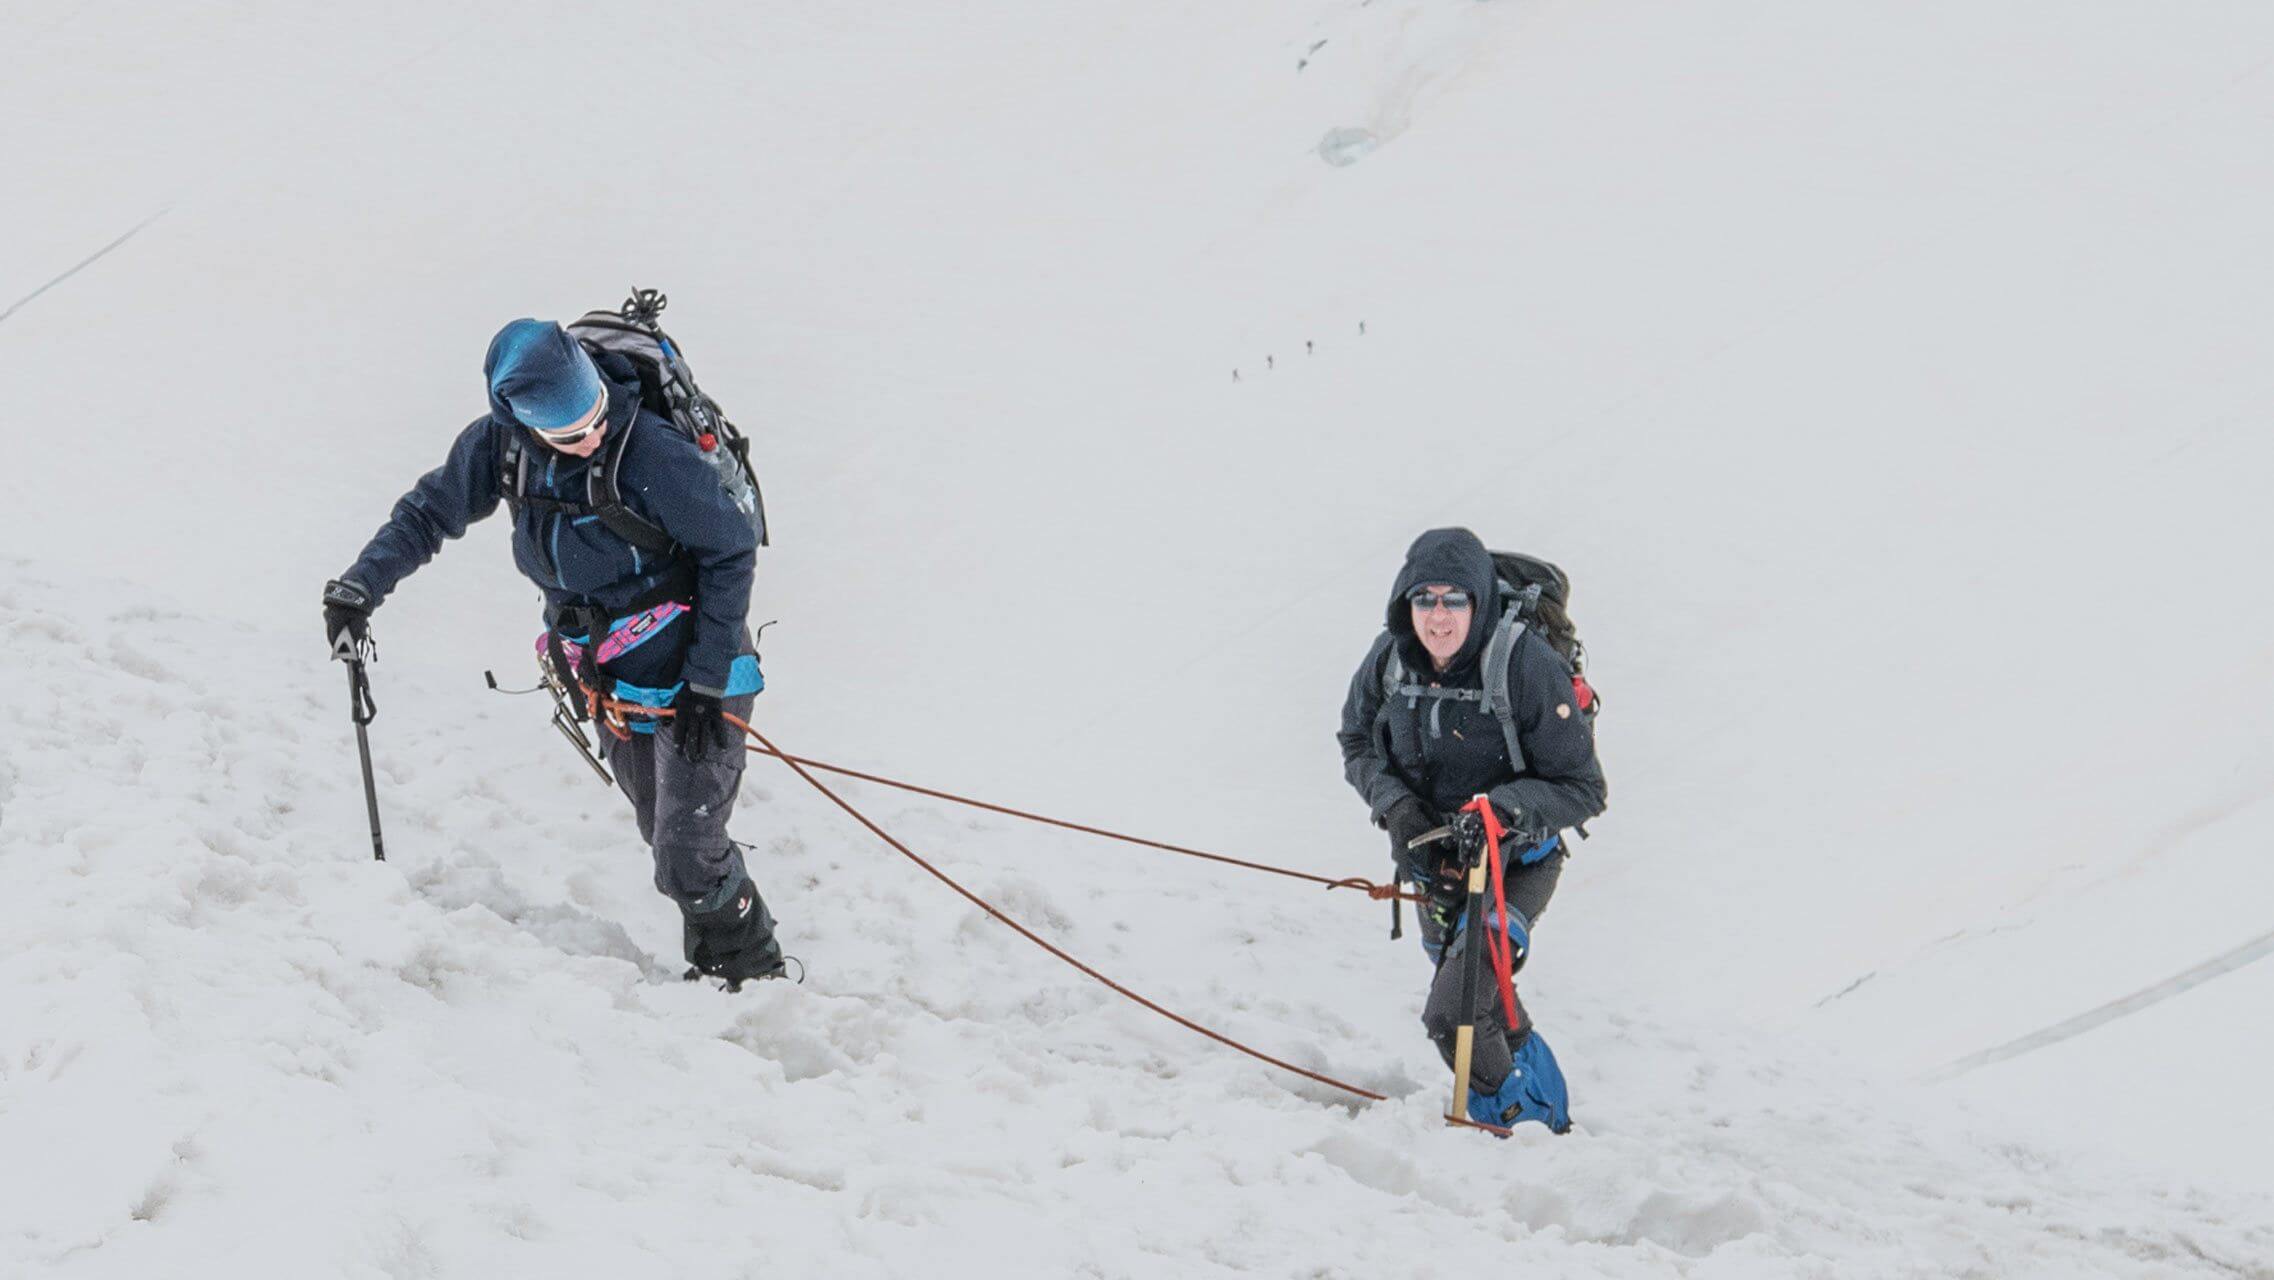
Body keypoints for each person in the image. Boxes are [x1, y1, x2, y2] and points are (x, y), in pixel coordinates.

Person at [322, 318, 785, 987]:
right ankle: (720, 962)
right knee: (667, 831)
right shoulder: (499, 447)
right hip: (607, 676)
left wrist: (707, 683)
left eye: (596, 415)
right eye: (570, 434)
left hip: (697, 672)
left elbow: (729, 549)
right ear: (517, 418)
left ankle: (753, 976)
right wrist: (360, 587)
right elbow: (427, 515)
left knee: (685, 850)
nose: (592, 436)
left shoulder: (649, 452)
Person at [1338, 528, 1607, 1130]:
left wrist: (1501, 812)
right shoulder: (1388, 659)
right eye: (1424, 598)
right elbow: (1356, 740)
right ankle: (1553, 1125)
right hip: (1436, 869)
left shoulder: (1523, 665)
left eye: (1454, 599)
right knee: (1483, 1005)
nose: (1438, 616)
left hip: (1518, 865)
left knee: (1455, 1014)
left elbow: (1583, 788)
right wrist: (1397, 807)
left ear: (1479, 602)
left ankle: (1508, 1129)